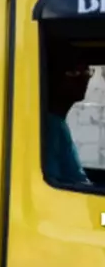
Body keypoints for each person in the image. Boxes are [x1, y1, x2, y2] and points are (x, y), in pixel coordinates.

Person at [44, 55, 92, 186]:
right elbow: (53, 185)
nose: (85, 78)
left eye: (87, 72)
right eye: (74, 73)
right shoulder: (49, 126)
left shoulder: (58, 122)